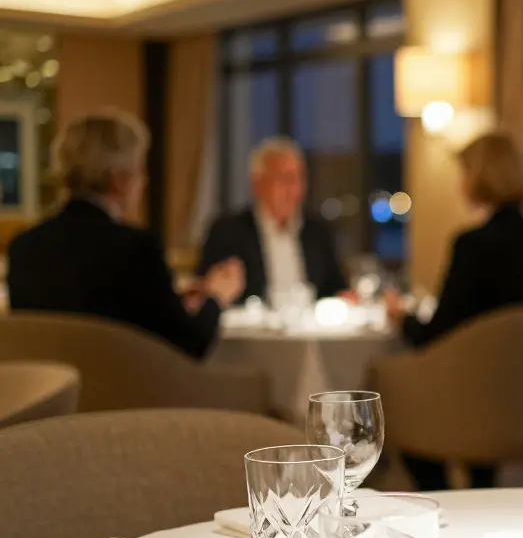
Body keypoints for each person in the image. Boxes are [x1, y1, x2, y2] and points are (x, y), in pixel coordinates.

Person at [7, 110, 244, 358]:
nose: (144, 181)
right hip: (127, 393)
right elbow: (190, 344)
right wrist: (216, 298)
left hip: (56, 393)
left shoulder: (24, 247)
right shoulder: (135, 249)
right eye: (140, 169)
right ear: (119, 179)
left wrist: (174, 300)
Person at [389, 131, 523, 348]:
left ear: (478, 177)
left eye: (464, 173)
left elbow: (437, 336)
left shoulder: (473, 246)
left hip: (477, 374)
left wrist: (401, 317)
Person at [197, 136, 346, 303]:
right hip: (248, 327)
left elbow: (337, 290)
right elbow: (208, 293)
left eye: (299, 178)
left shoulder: (318, 232)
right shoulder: (227, 232)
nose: (294, 188)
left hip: (311, 326)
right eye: (285, 179)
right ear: (258, 183)